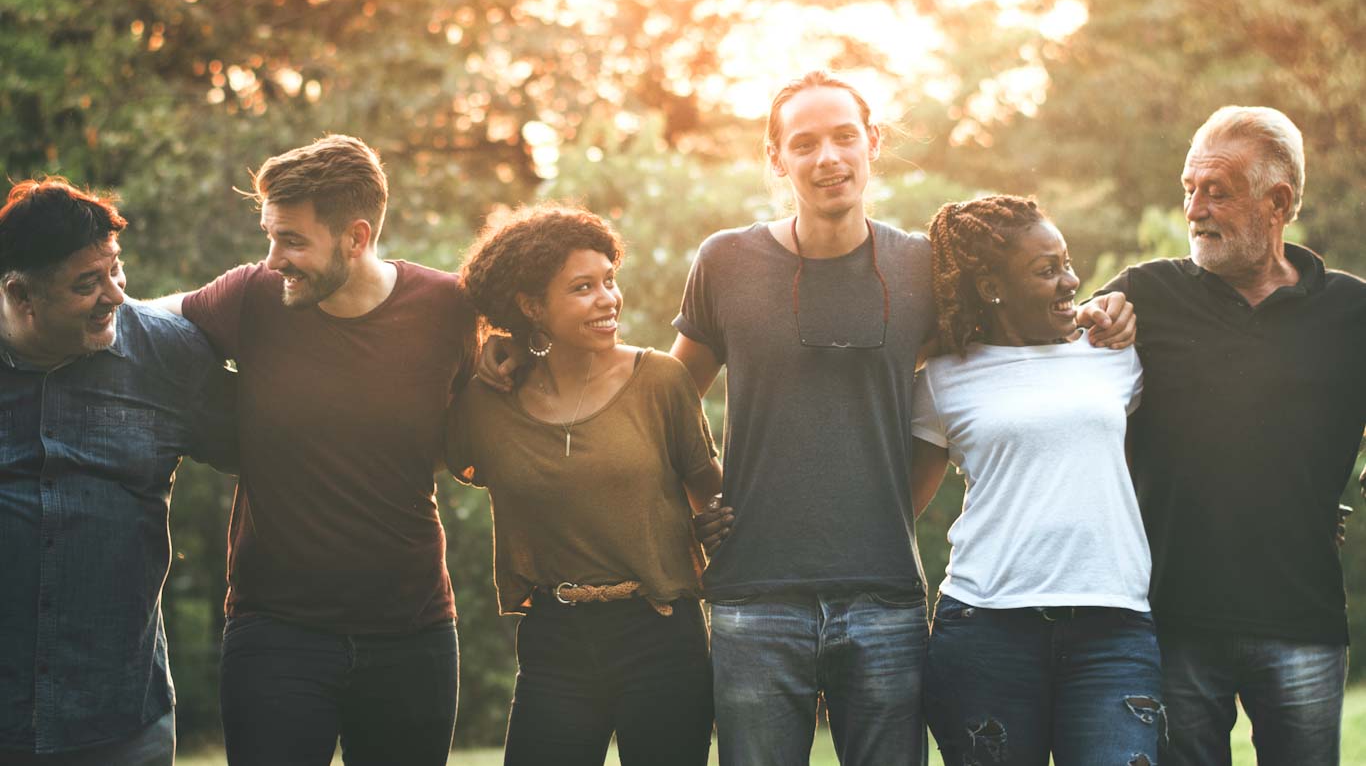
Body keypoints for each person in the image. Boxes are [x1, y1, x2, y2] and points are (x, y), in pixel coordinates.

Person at [479, 71, 1134, 766]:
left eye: (845, 137)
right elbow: (663, 398)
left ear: (871, 144)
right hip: (754, 601)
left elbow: (997, 347)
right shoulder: (725, 262)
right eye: (805, 143)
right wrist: (523, 348)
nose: (829, 158)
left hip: (885, 600)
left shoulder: (920, 268)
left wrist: (1101, 309)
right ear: (776, 159)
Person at [154, 135, 477, 765]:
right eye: (271, 235)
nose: (273, 258)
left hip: (412, 632)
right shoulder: (253, 296)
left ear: (356, 238)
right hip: (276, 632)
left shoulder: (446, 308)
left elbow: (467, 431)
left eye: (293, 240)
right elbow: (138, 327)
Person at [1098, 106, 1366, 764]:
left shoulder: (1353, 312)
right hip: (1173, 623)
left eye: (1217, 191)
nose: (1195, 209)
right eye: (1189, 189)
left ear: (1278, 202)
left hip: (1303, 622)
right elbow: (1055, 369)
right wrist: (1091, 315)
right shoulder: (1144, 294)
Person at [446, 203, 723, 766]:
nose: (608, 299)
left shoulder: (661, 381)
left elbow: (712, 499)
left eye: (609, 280)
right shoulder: (486, 400)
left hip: (661, 632)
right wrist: (482, 351)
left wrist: (716, 539)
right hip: (555, 637)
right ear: (531, 306)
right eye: (582, 287)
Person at [909, 195, 1161, 766]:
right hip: (986, 630)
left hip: (1113, 628)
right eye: (1046, 271)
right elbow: (899, 508)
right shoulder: (943, 379)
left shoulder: (1115, 356)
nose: (1071, 280)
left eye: (1067, 263)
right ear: (993, 287)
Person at [0, 178, 235, 765]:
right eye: (86, 284)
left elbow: (278, 450)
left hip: (123, 718)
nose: (115, 295)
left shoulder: (168, 356)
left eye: (115, 270)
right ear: (21, 295)